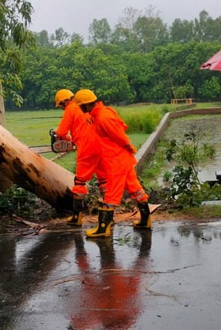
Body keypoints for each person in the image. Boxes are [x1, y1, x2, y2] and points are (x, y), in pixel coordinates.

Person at [74, 89, 151, 237]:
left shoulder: (103, 117)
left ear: (84, 105)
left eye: (80, 106)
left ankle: (103, 229)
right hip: (121, 160)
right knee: (136, 189)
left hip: (117, 160)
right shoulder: (98, 114)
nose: (79, 109)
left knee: (111, 194)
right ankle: (145, 221)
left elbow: (119, 135)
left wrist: (129, 146)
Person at [54, 89, 105, 226]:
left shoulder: (70, 109)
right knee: (103, 181)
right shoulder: (85, 106)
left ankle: (78, 217)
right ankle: (108, 216)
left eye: (60, 105)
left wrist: (58, 134)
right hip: (100, 145)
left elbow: (62, 132)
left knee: (80, 183)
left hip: (86, 148)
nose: (61, 107)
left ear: (65, 101)